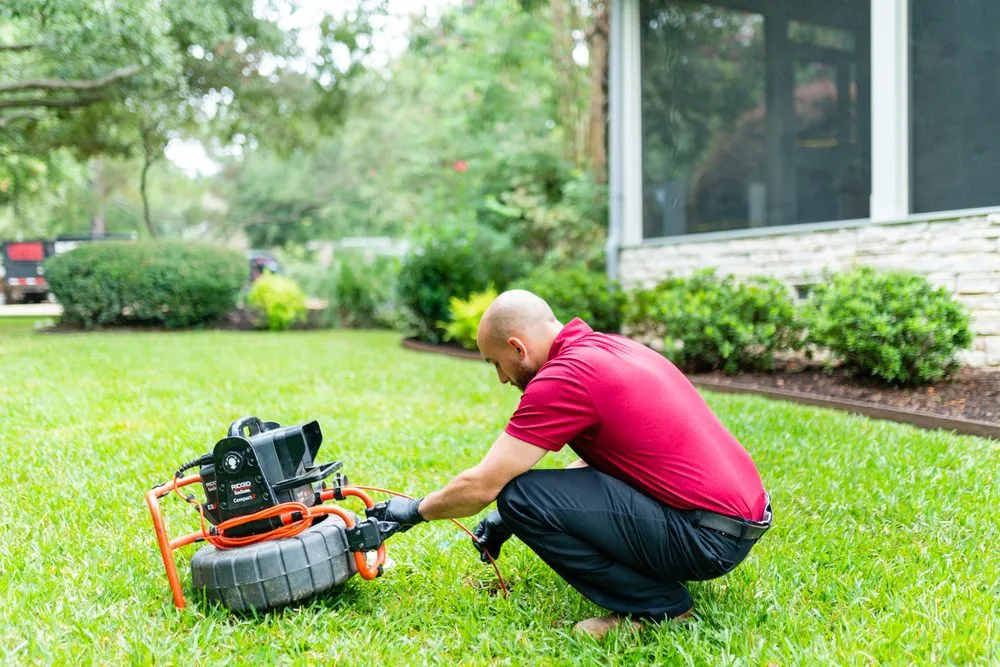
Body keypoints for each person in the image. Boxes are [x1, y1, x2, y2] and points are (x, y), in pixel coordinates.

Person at [367, 289, 772, 639]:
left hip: (707, 540)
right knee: (521, 500)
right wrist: (506, 524)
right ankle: (657, 582)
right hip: (735, 525)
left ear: (517, 348)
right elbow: (616, 460)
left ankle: (659, 606)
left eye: (496, 363)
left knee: (519, 497)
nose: (502, 379)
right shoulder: (609, 346)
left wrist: (414, 510)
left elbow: (482, 485)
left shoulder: (562, 379)